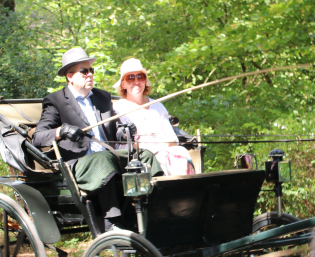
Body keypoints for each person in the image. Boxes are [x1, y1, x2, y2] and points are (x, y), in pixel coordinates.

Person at [32, 47, 162, 231]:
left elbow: (114, 132)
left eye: (91, 70)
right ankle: (112, 223)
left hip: (108, 156)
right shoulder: (56, 101)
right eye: (84, 71)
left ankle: (157, 209)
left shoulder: (102, 97)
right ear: (70, 76)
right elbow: (38, 137)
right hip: (79, 164)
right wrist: (62, 131)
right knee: (104, 159)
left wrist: (125, 130)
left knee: (145, 156)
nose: (89, 75)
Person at [112, 59, 195, 176]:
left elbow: (172, 139)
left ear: (145, 81)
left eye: (140, 77)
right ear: (123, 83)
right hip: (138, 161)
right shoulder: (118, 109)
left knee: (180, 152)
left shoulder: (157, 106)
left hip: (165, 155)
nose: (136, 81)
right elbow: (121, 145)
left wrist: (160, 148)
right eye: (130, 77)